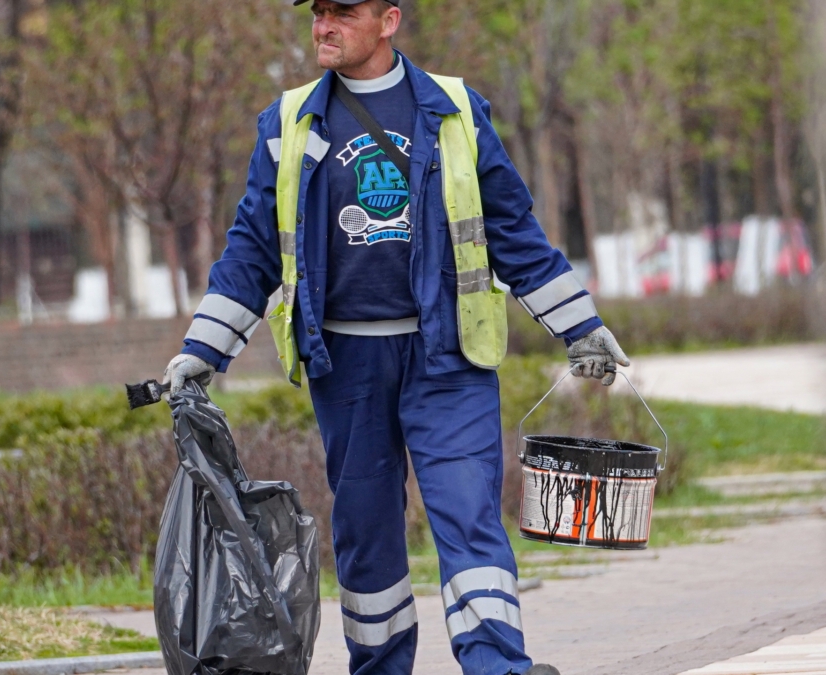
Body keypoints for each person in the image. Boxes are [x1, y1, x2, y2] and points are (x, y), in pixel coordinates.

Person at [162, 2, 630, 674]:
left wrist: (581, 327)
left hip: (448, 356)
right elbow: (253, 248)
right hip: (346, 364)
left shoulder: (457, 111)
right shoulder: (288, 123)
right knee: (366, 533)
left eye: (342, 12)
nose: (324, 25)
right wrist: (203, 349)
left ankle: (498, 666)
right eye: (318, 12)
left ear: (388, 21)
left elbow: (512, 231)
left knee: (469, 514)